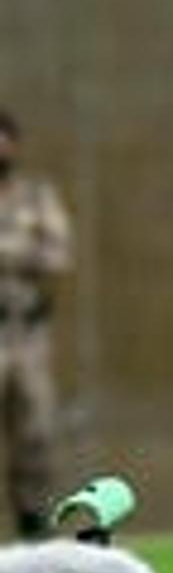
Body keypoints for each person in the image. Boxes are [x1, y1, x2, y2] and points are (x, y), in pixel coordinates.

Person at [0, 111, 70, 541]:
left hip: (26, 333)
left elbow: (58, 256)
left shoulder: (37, 197)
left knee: (35, 434)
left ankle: (33, 529)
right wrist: (20, 251)